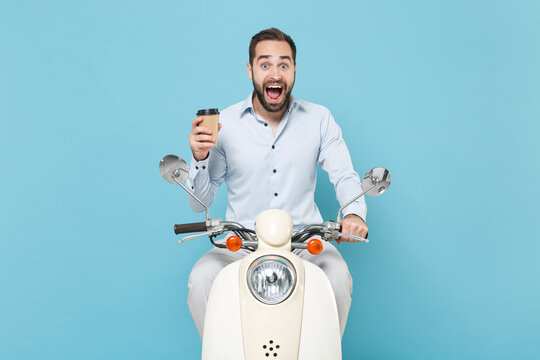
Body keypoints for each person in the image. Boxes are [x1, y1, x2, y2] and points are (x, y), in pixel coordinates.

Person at [186, 28, 368, 338]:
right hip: (241, 244)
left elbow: (344, 174)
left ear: (294, 70)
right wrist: (199, 157)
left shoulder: (319, 118)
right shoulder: (225, 123)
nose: (276, 73)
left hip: (304, 242)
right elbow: (197, 201)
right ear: (250, 70)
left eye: (284, 64)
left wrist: (353, 214)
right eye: (265, 64)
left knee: (337, 276)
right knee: (201, 278)